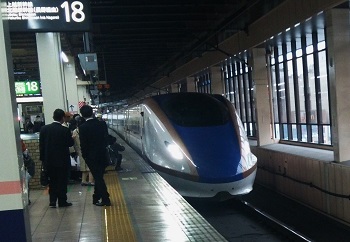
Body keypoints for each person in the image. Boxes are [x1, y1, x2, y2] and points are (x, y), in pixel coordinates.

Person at [39, 109, 74, 208]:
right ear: (63, 118)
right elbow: (70, 144)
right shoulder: (65, 130)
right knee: (62, 181)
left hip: (48, 161)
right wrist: (73, 137)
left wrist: (43, 159)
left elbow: (41, 146)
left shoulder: (44, 129)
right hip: (62, 161)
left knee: (52, 181)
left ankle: (52, 202)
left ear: (53, 117)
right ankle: (62, 201)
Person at [79, 105, 111, 206]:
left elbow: (83, 145)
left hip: (91, 157)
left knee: (98, 178)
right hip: (102, 155)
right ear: (92, 112)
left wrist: (85, 156)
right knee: (99, 176)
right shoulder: (102, 124)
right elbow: (106, 138)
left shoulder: (82, 127)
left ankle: (106, 199)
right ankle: (96, 197)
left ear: (82, 115)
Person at [72, 116, 94, 186]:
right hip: (88, 150)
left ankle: (83, 180)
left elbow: (74, 143)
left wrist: (77, 151)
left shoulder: (75, 131)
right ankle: (91, 181)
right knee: (91, 166)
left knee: (83, 166)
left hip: (80, 150)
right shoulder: (87, 129)